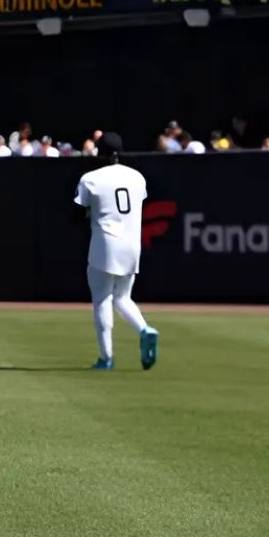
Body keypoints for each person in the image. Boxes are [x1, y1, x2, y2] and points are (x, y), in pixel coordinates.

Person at [73, 132, 160, 371]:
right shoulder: (137, 177)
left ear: (99, 152)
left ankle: (106, 357)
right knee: (122, 297)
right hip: (132, 245)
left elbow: (79, 210)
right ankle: (145, 329)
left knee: (102, 299)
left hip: (105, 244)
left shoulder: (90, 178)